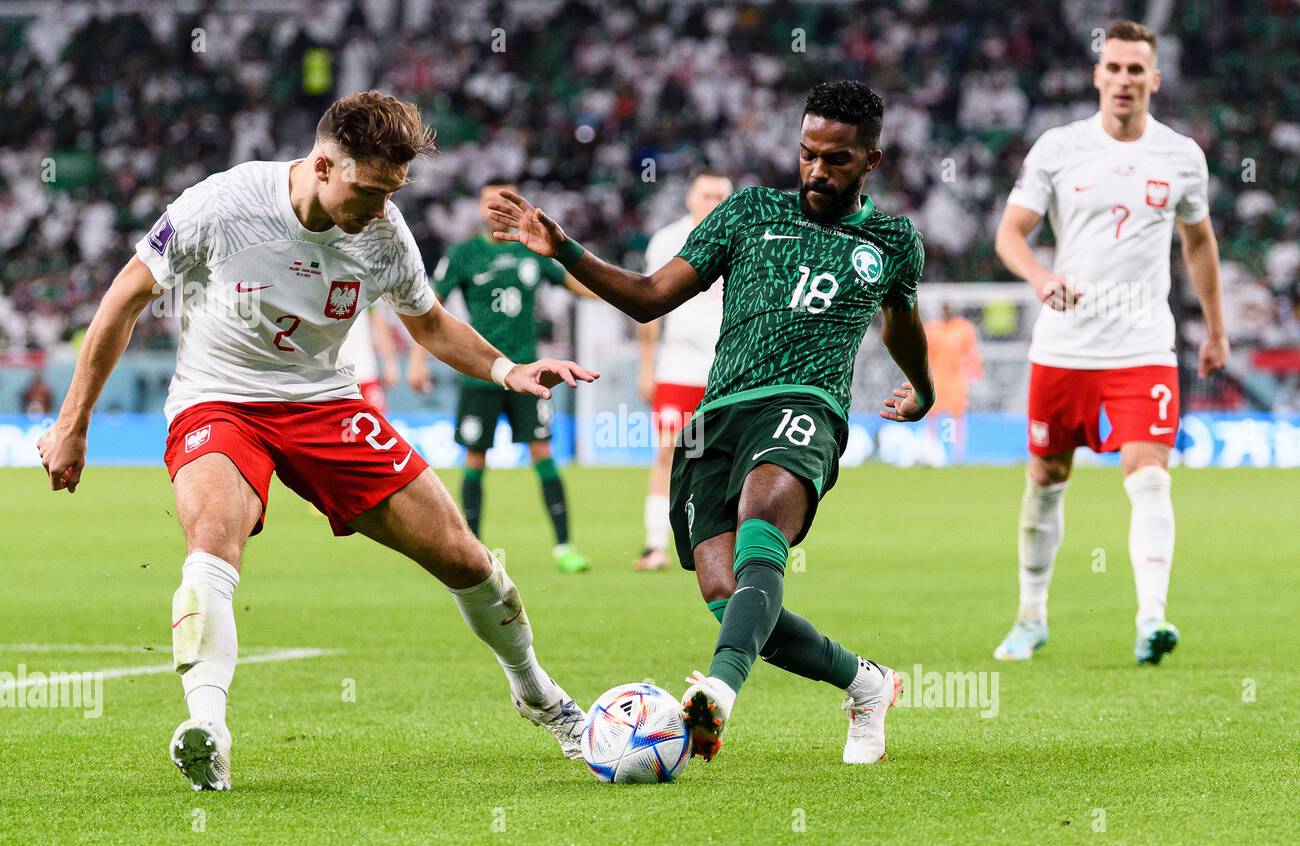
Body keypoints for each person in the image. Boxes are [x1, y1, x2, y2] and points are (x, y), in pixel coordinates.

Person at [37, 91, 598, 792]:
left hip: (326, 404)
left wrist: (509, 370)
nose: (378, 208)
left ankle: (538, 693)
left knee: (465, 557)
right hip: (222, 398)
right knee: (213, 534)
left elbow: (427, 324)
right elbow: (125, 295)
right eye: (367, 190)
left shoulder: (384, 234)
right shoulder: (220, 204)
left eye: (391, 192)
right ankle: (206, 726)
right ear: (324, 164)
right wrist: (73, 422)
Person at [488, 80, 934, 766]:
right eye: (808, 153)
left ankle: (716, 698)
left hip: (804, 406)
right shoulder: (748, 213)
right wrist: (565, 248)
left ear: (871, 161)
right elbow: (646, 298)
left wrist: (924, 389)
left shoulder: (892, 239)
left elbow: (903, 327)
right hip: (713, 421)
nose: (818, 169)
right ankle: (865, 683)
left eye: (837, 159)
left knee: (764, 516)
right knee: (730, 600)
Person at [993, 21, 1229, 664]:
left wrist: (1215, 326)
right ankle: (1031, 616)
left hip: (1143, 345)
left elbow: (1199, 242)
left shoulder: (1181, 155)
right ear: (1098, 76)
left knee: (1149, 477)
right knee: (1046, 476)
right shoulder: (1059, 148)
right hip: (1066, 347)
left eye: (1136, 70)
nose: (1124, 79)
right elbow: (1011, 233)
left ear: (1155, 79)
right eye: (1114, 68)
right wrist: (1040, 277)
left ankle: (1152, 617)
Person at [413, 180, 596, 573]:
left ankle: (564, 547)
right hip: (481, 374)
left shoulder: (531, 251)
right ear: (479, 208)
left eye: (505, 201)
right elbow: (426, 309)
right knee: (476, 459)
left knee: (542, 454)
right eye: (489, 202)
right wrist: (416, 361)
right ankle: (472, 549)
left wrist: (619, 289)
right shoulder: (463, 256)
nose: (496, 208)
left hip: (530, 373)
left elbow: (574, 283)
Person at [635, 170, 733, 571]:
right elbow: (647, 305)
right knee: (668, 453)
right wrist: (647, 367)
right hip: (676, 366)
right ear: (690, 198)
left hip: (727, 368)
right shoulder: (666, 240)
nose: (712, 201)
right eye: (706, 194)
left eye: (720, 196)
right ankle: (656, 545)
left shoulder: (742, 235)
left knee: (725, 458)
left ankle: (723, 545)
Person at [923, 303, 983, 463]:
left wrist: (975, 370)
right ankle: (930, 452)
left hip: (957, 378)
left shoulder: (963, 328)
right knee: (931, 415)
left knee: (958, 416)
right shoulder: (932, 329)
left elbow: (971, 351)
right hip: (937, 378)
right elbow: (925, 355)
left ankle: (958, 453)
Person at [337, 302, 401, 413]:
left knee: (377, 425)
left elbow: (378, 321)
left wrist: (390, 362)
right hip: (333, 381)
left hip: (365, 373)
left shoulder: (365, 285)